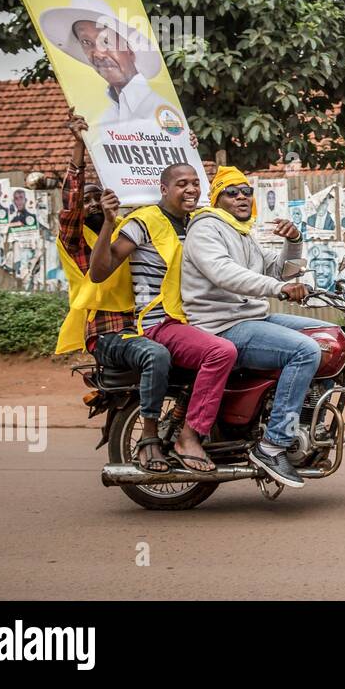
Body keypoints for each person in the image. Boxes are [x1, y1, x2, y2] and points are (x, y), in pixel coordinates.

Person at [89, 163, 238, 474]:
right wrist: (108, 223)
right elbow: (101, 271)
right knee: (220, 352)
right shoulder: (143, 222)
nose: (192, 190)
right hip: (161, 320)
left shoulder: (199, 222)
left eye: (196, 183)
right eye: (182, 184)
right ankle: (186, 436)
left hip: (200, 317)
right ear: (164, 189)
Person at [181, 166, 322, 488]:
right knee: (304, 350)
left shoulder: (243, 232)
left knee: (326, 337)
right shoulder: (206, 229)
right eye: (232, 192)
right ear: (217, 198)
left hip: (251, 318)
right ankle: (272, 444)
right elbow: (224, 273)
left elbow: (280, 269)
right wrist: (277, 289)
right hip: (220, 325)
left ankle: (311, 421)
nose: (242, 196)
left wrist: (295, 240)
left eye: (246, 191)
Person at [54, 111, 174, 474]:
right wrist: (79, 146)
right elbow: (70, 206)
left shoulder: (129, 229)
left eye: (98, 198)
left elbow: (165, 203)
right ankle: (151, 438)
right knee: (156, 356)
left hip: (146, 321)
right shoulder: (78, 240)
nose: (91, 204)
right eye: (87, 200)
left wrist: (181, 159)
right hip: (108, 331)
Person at [40, 0, 180, 126]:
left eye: (106, 41)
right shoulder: (105, 119)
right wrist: (83, 141)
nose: (98, 54)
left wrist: (186, 139)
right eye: (86, 42)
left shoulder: (162, 112)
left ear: (130, 49)